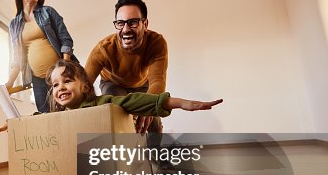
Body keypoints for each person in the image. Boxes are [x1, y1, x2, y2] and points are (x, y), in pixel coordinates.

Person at [84, 0, 167, 135]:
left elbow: (158, 80)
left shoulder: (156, 42)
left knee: (154, 122)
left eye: (133, 22)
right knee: (119, 113)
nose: (126, 29)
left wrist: (150, 108)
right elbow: (83, 85)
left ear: (145, 24)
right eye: (120, 23)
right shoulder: (103, 49)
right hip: (113, 83)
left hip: (143, 85)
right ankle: (125, 153)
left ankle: (156, 155)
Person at [5, 0, 77, 113]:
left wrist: (62, 69)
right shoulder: (14, 24)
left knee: (71, 113)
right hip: (38, 81)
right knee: (47, 118)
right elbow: (18, 58)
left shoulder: (48, 12)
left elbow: (66, 39)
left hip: (61, 74)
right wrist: (10, 82)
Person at [46, 60, 222, 115]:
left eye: (67, 81)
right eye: (55, 84)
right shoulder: (55, 118)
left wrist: (181, 103)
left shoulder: (102, 104)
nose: (60, 87)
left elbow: (136, 101)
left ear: (85, 87)